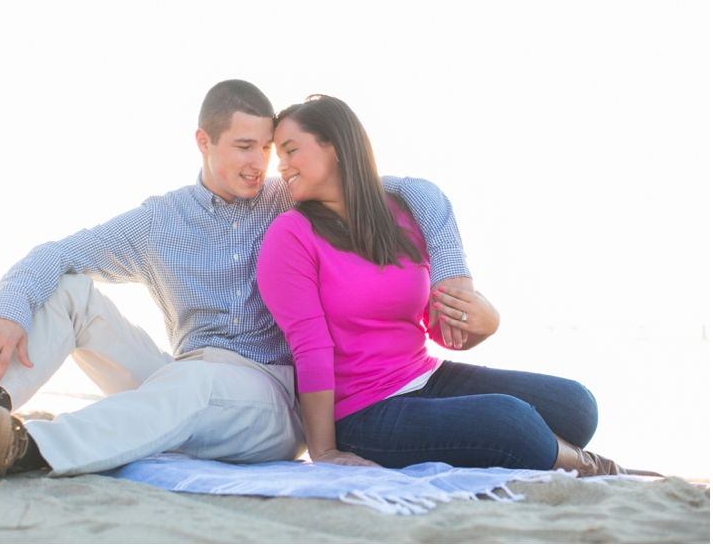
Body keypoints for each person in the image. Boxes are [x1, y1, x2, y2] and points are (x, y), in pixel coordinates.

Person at [0, 80, 474, 478]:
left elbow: (408, 189)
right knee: (72, 294)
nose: (259, 163)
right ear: (203, 142)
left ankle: (27, 449)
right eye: (243, 146)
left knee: (192, 387)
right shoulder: (160, 220)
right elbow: (53, 253)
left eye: (266, 149)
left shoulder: (285, 200)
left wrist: (454, 277)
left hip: (270, 400)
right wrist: (8, 307)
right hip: (188, 372)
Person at [256, 94, 642, 477]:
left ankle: (551, 450)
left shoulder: (400, 215)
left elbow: (441, 329)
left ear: (336, 146)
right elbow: (310, 347)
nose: (283, 167)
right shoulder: (289, 235)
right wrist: (324, 449)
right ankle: (595, 468)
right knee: (512, 422)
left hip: (427, 376)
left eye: (291, 151)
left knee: (575, 405)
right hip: (362, 412)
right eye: (280, 158)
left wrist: (488, 323)